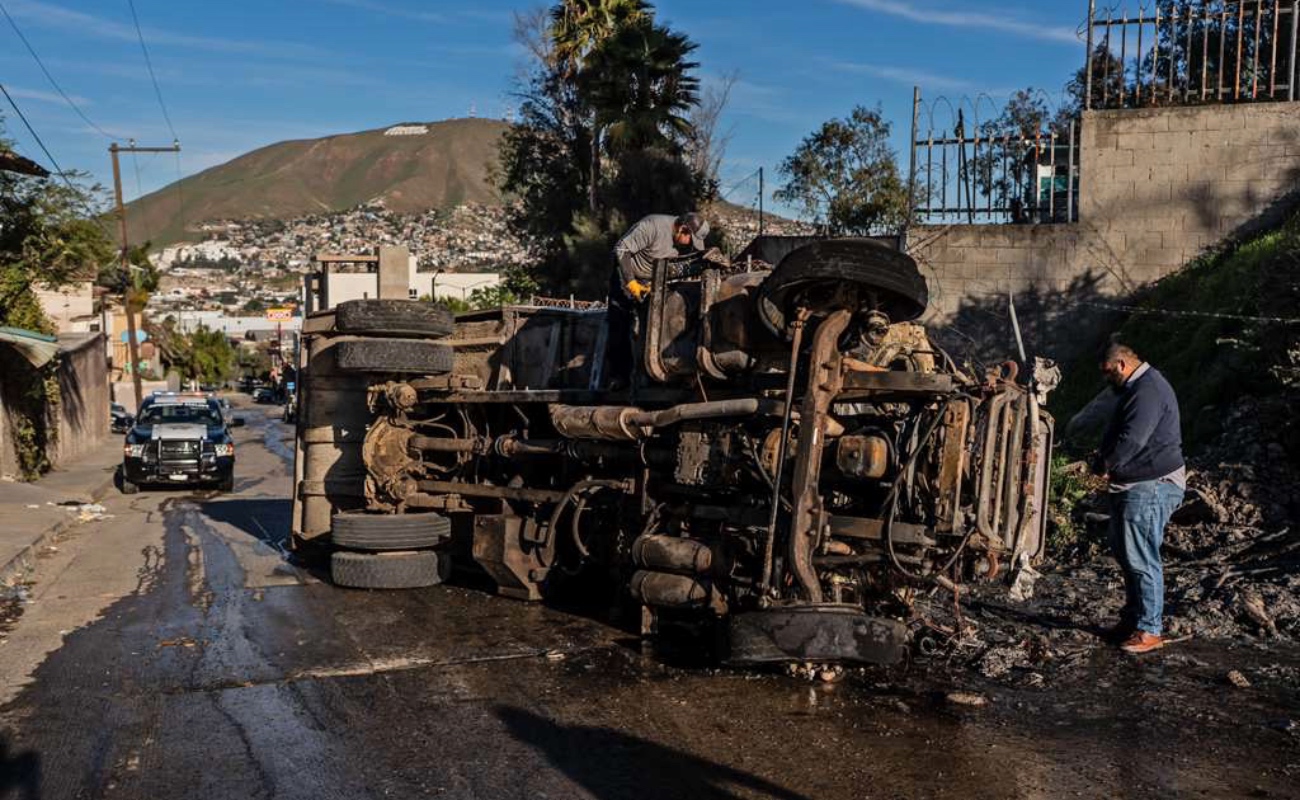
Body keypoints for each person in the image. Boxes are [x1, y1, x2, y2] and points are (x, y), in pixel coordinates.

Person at [1091, 341, 1185, 654]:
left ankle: (1149, 630)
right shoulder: (1141, 388)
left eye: (1108, 372)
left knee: (1142, 556)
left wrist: (1107, 464)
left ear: (1121, 364)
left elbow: (1134, 439)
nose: (1107, 379)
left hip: (1152, 484)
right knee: (1127, 553)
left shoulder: (1147, 390)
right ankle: (1133, 621)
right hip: (1138, 484)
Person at [602, 212, 709, 389]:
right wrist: (631, 283)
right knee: (620, 322)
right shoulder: (652, 226)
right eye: (690, 240)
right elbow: (621, 249)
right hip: (627, 272)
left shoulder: (683, 243)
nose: (690, 245)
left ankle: (649, 375)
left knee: (654, 325)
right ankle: (618, 377)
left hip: (652, 278)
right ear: (683, 229)